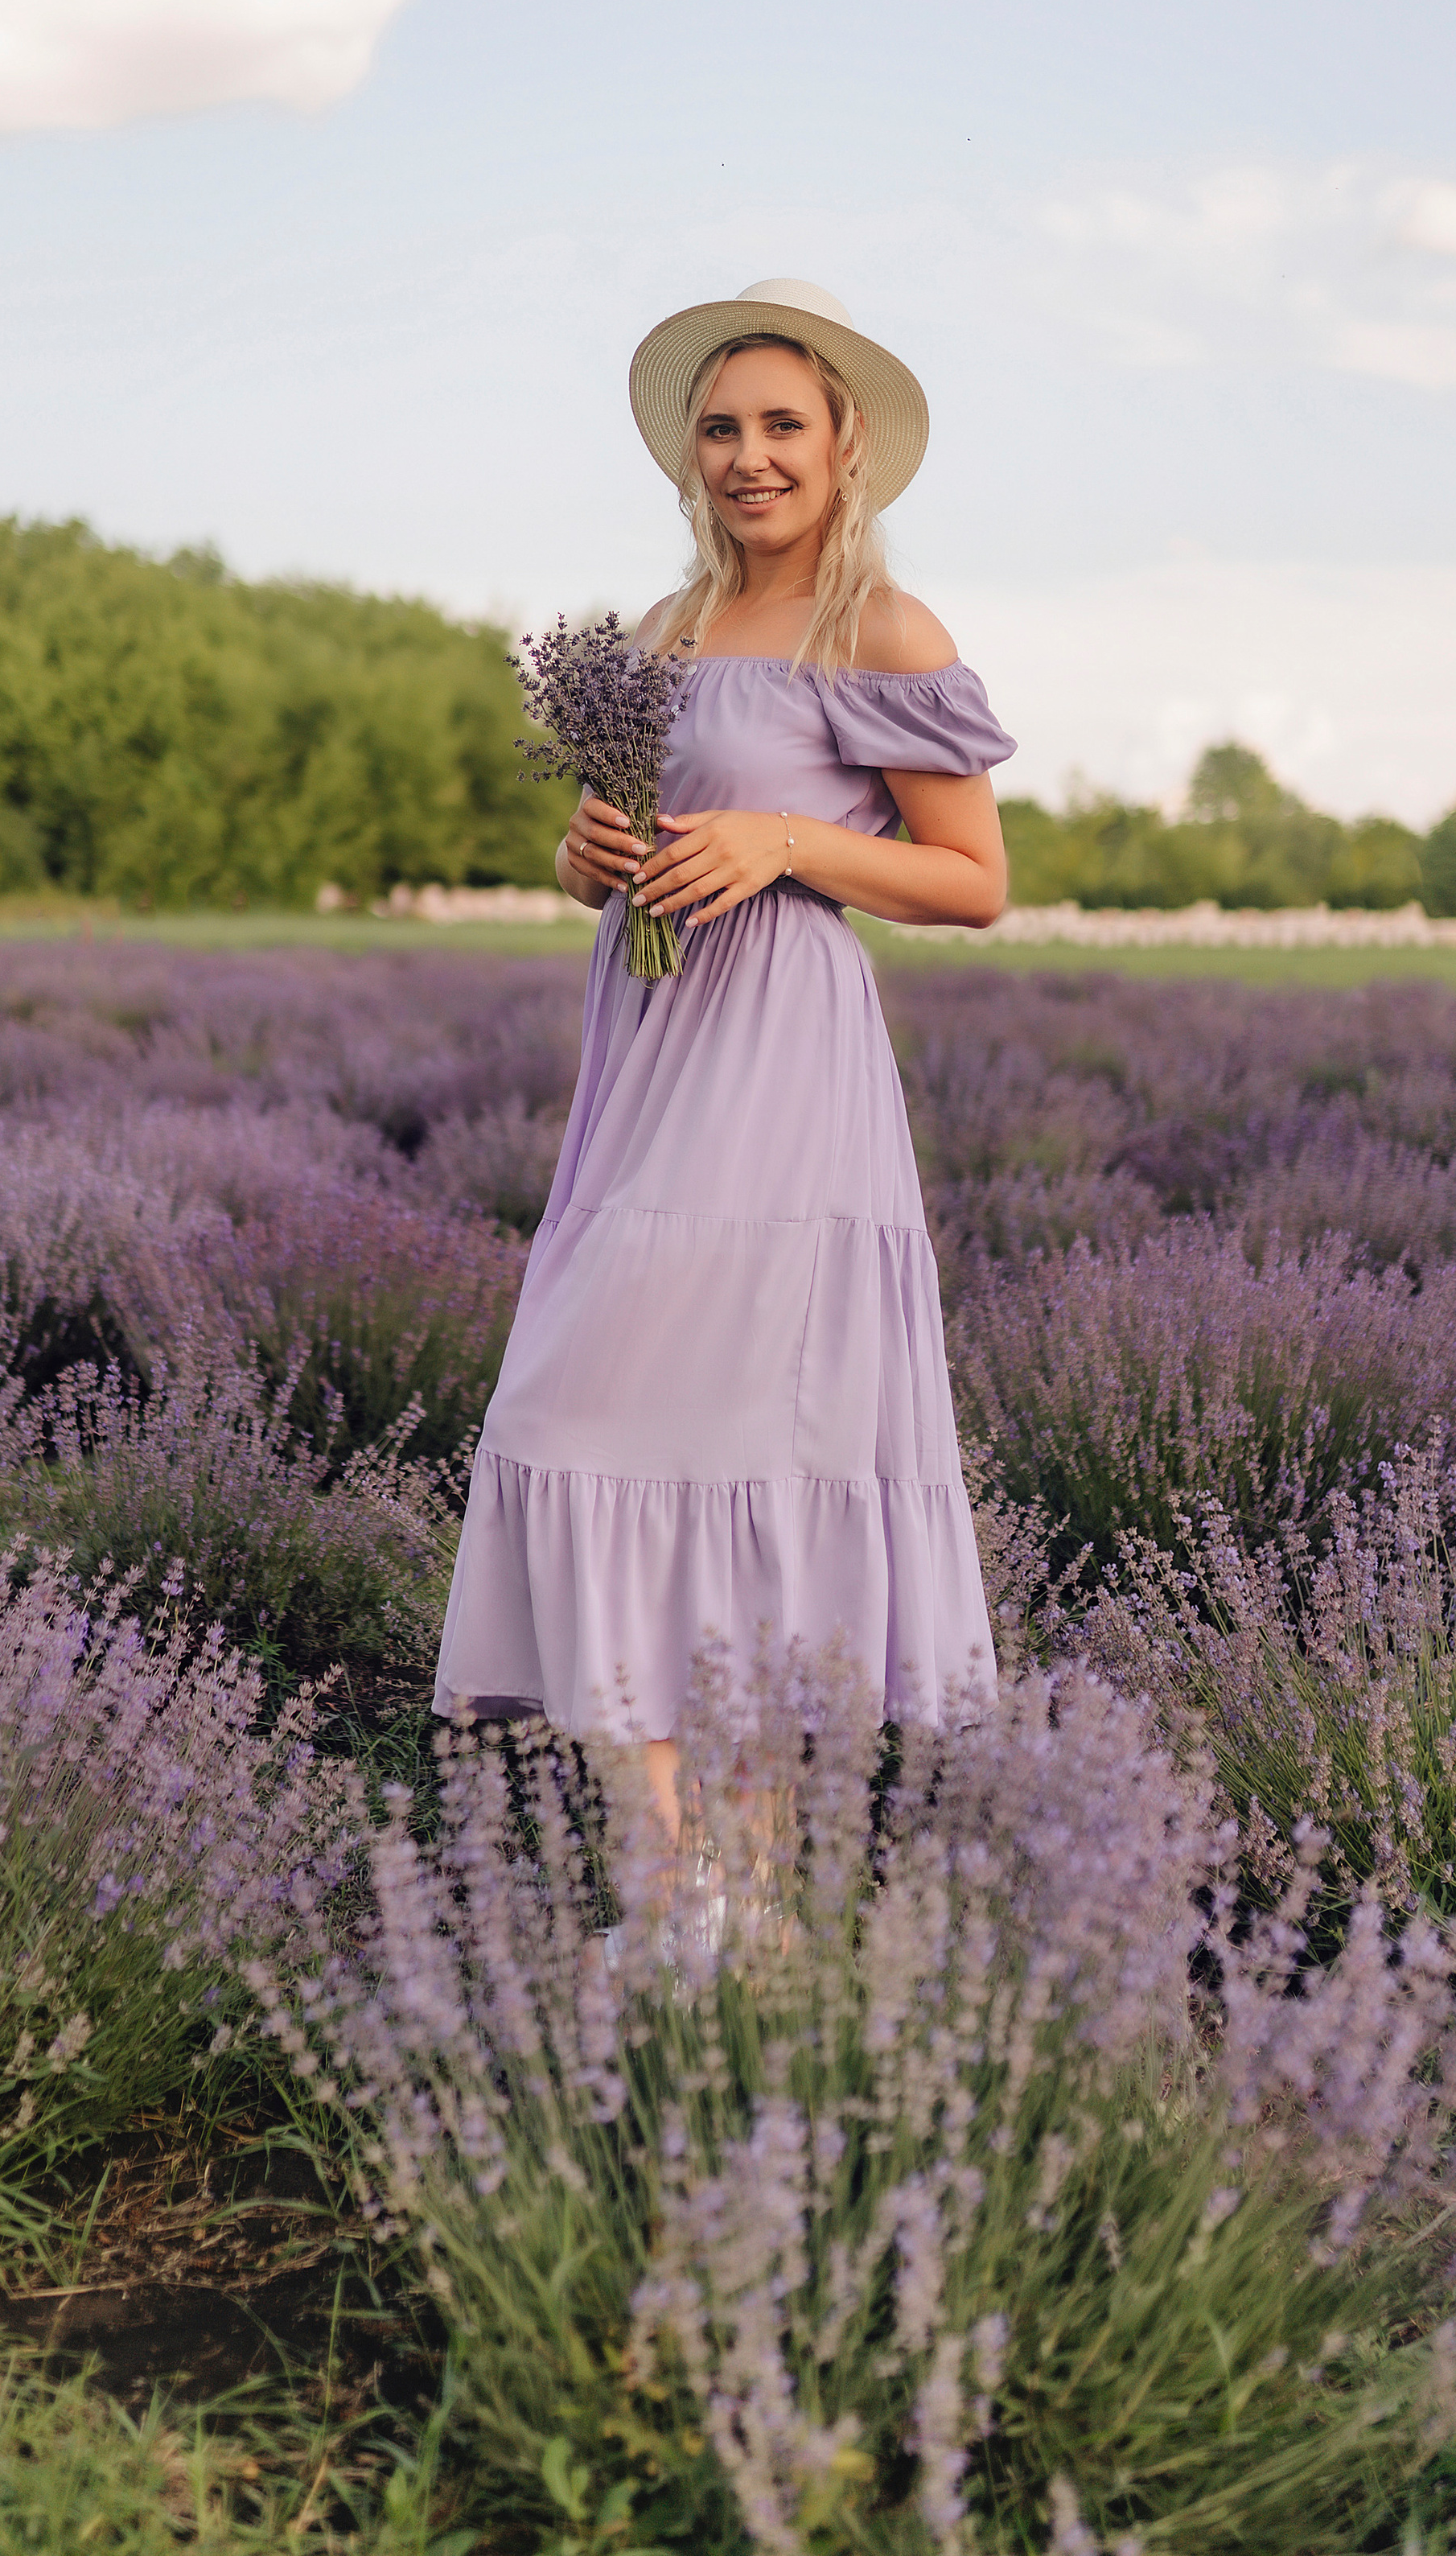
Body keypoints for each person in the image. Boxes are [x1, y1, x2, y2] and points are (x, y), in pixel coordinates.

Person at [431, 279, 1014, 1835]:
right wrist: (584, 855)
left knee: (733, 1434)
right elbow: (624, 841)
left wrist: (785, 842)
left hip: (780, 1067)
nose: (750, 456)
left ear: (844, 446)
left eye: (781, 426)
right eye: (721, 429)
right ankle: (690, 1892)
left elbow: (974, 882)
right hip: (649, 1053)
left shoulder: (879, 631)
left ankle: (713, 1903)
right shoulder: (661, 630)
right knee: (577, 1419)